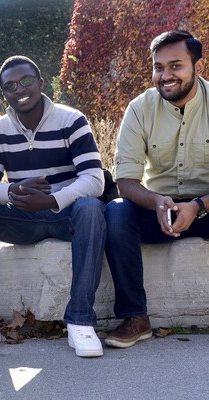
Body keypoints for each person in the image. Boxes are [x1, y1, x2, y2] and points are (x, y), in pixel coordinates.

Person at [0, 56, 106, 357]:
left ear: (40, 81)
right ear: (4, 95)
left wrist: (52, 200)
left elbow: (94, 178)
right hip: (21, 217)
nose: (19, 89)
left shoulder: (71, 120)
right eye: (9, 86)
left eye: (26, 80)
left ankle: (80, 321)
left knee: (91, 208)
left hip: (66, 217)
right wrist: (13, 191)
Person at [105, 30, 208, 348]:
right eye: (158, 67)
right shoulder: (139, 109)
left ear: (196, 67)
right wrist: (157, 202)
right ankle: (135, 317)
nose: (165, 76)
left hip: (206, 207)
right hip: (157, 209)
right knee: (117, 211)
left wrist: (198, 206)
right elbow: (125, 181)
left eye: (175, 66)